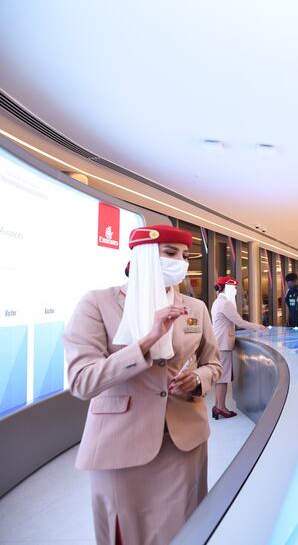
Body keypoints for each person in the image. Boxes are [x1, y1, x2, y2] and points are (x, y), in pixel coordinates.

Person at [63, 225, 222, 545]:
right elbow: (81, 380)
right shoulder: (98, 304)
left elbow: (213, 364)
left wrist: (198, 381)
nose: (180, 262)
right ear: (145, 257)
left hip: (183, 440)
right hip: (121, 442)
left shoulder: (195, 309)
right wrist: (146, 342)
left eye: (184, 256)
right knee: (126, 532)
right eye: (170, 253)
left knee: (184, 529)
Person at [210, 275, 265, 420]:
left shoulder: (217, 302)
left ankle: (217, 406)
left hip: (217, 342)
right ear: (227, 288)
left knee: (220, 377)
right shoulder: (226, 303)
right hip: (223, 345)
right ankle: (221, 408)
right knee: (223, 378)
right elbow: (239, 322)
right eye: (233, 288)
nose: (235, 291)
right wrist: (258, 327)